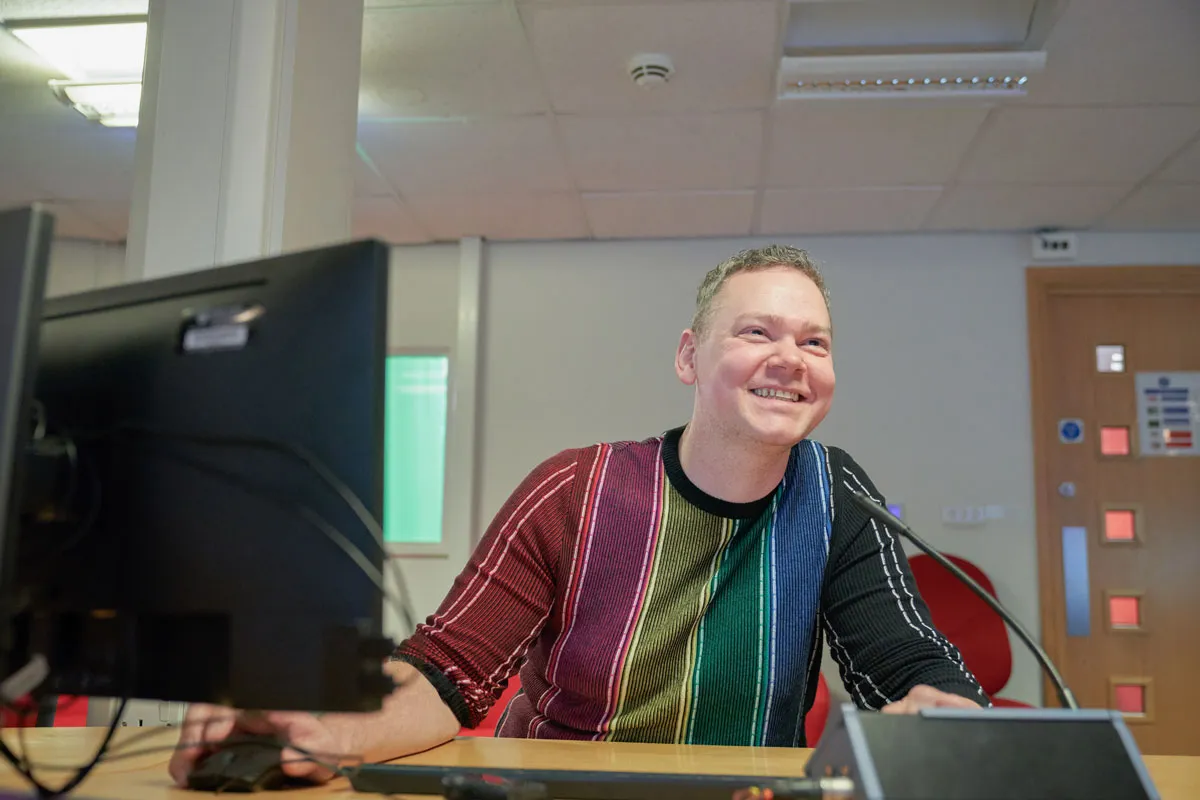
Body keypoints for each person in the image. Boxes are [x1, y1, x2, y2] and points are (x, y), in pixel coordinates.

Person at [169, 245, 987, 786]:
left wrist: (944, 709)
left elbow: (902, 656)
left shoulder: (832, 490)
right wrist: (328, 726)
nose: (790, 358)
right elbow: (448, 670)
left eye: (816, 342)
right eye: (757, 332)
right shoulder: (577, 490)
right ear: (689, 357)